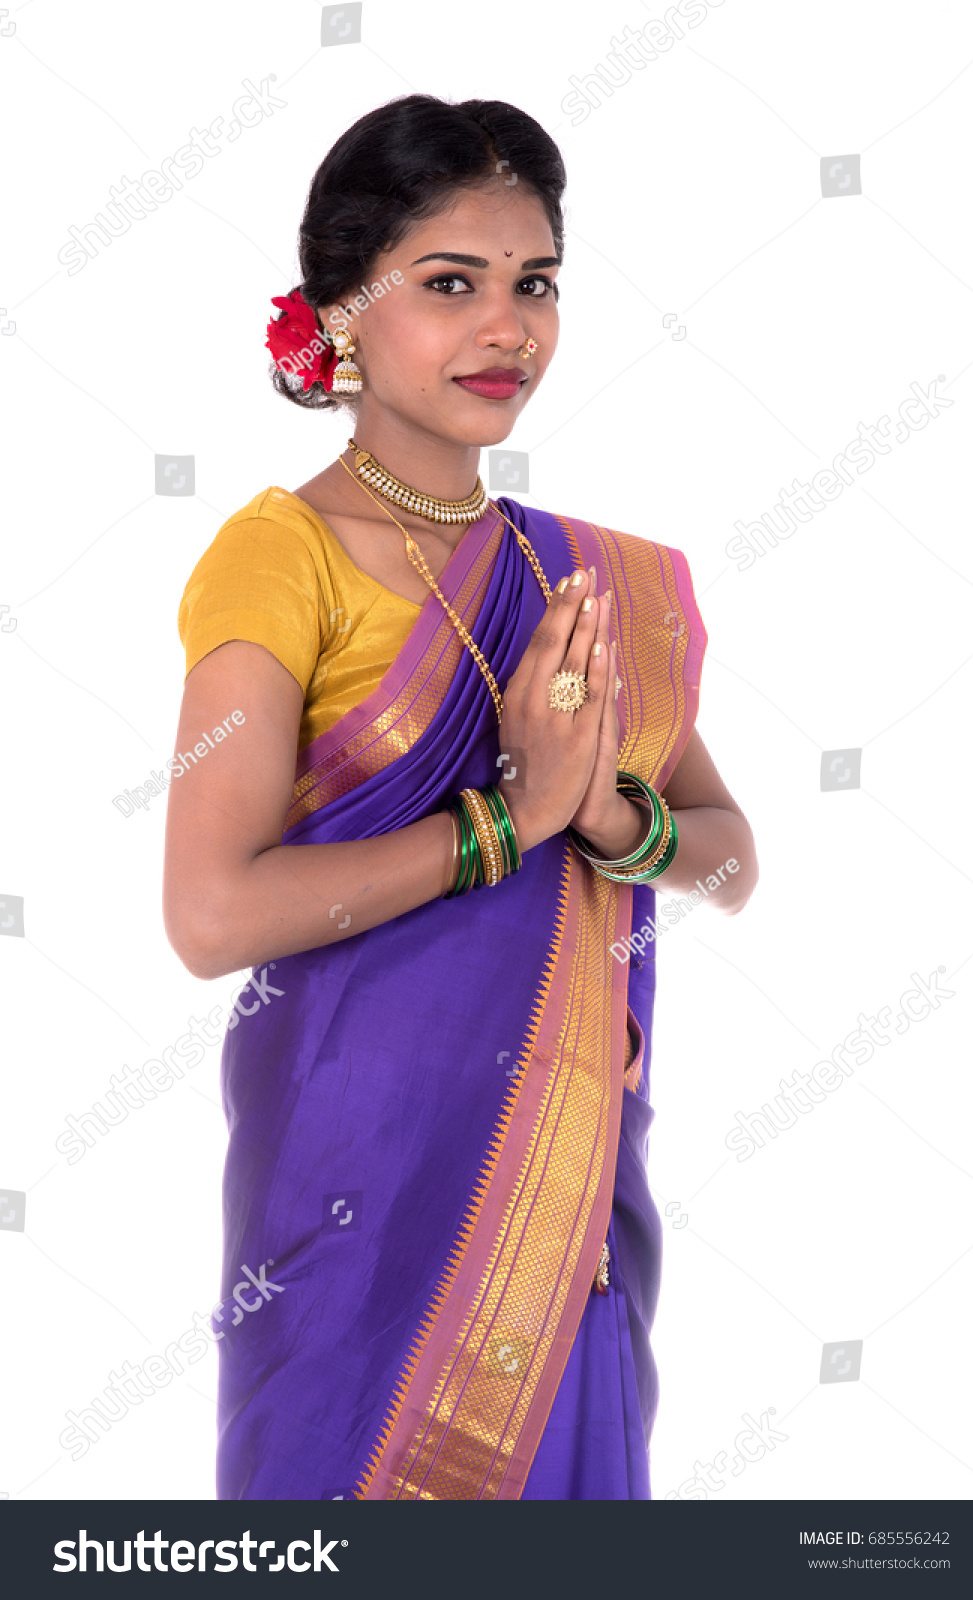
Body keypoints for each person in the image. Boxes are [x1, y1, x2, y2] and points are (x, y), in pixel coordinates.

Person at [163, 93, 758, 1502]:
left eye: (534, 284)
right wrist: (504, 823)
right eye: (450, 285)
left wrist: (607, 814)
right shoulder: (278, 557)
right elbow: (208, 912)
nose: (509, 328)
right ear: (342, 309)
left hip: (562, 1195)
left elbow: (730, 867)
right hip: (351, 1183)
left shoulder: (593, 581)